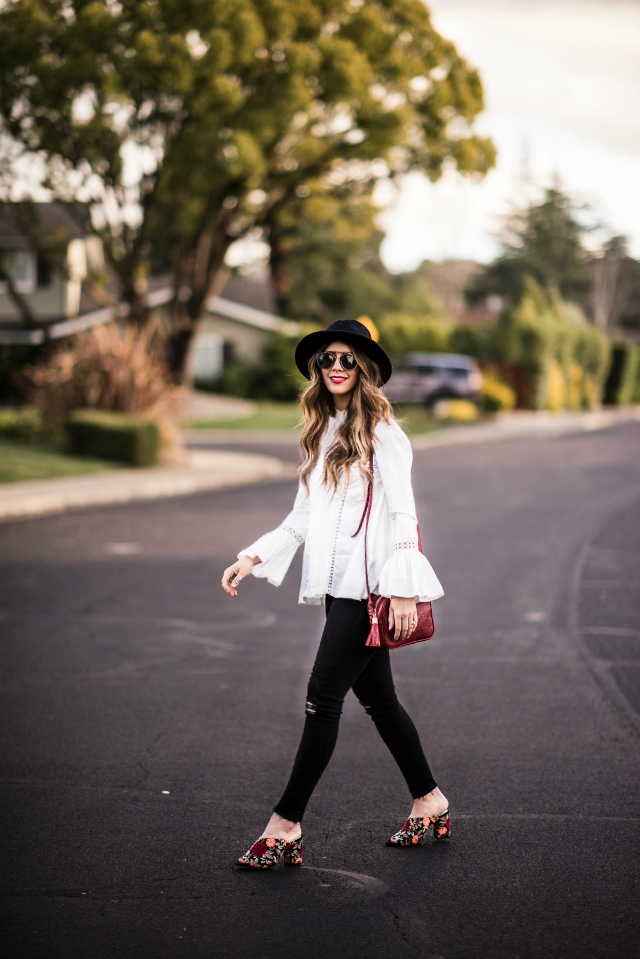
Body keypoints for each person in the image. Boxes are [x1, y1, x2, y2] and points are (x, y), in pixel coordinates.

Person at [221, 319, 449, 870]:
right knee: (379, 702)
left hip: (369, 591)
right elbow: (302, 518)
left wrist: (399, 589)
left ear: (365, 368)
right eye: (327, 359)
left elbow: (403, 513)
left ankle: (285, 827)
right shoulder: (324, 432)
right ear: (317, 370)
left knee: (322, 699)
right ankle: (430, 800)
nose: (338, 367)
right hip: (336, 590)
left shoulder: (385, 435)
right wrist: (252, 556)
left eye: (348, 359)